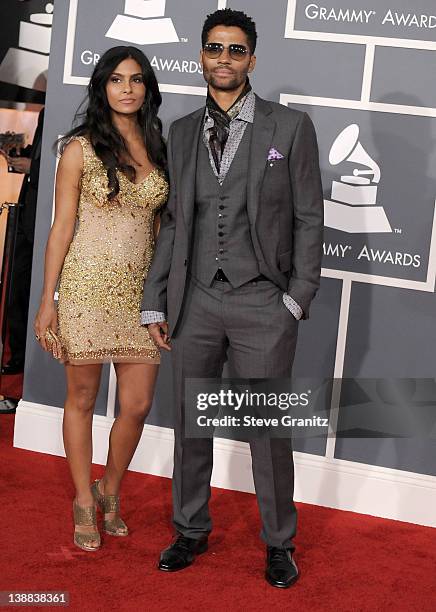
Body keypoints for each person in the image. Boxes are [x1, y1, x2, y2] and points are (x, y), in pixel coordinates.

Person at [141, 9, 323, 587]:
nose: (225, 58)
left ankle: (278, 542)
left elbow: (308, 219)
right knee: (191, 425)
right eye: (215, 48)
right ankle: (190, 530)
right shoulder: (182, 130)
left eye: (236, 49)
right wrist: (156, 300)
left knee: (267, 432)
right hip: (195, 302)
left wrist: (296, 297)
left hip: (263, 303)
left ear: (252, 57)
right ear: (200, 55)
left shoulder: (290, 128)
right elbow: (174, 224)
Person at [34, 46, 168, 552]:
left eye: (135, 80)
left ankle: (109, 489)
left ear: (146, 88)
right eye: (116, 80)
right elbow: (61, 226)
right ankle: (83, 503)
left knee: (137, 404)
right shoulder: (79, 148)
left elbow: (160, 230)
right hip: (86, 289)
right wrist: (49, 299)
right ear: (102, 87)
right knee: (82, 399)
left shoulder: (161, 147)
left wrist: (163, 296)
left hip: (139, 295)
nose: (127, 88)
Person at [0, 107, 44, 377]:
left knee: (34, 290)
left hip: (46, 214)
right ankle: (18, 355)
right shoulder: (47, 109)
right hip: (26, 210)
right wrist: (24, 157)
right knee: (16, 288)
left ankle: (30, 360)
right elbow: (42, 152)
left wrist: (34, 167)